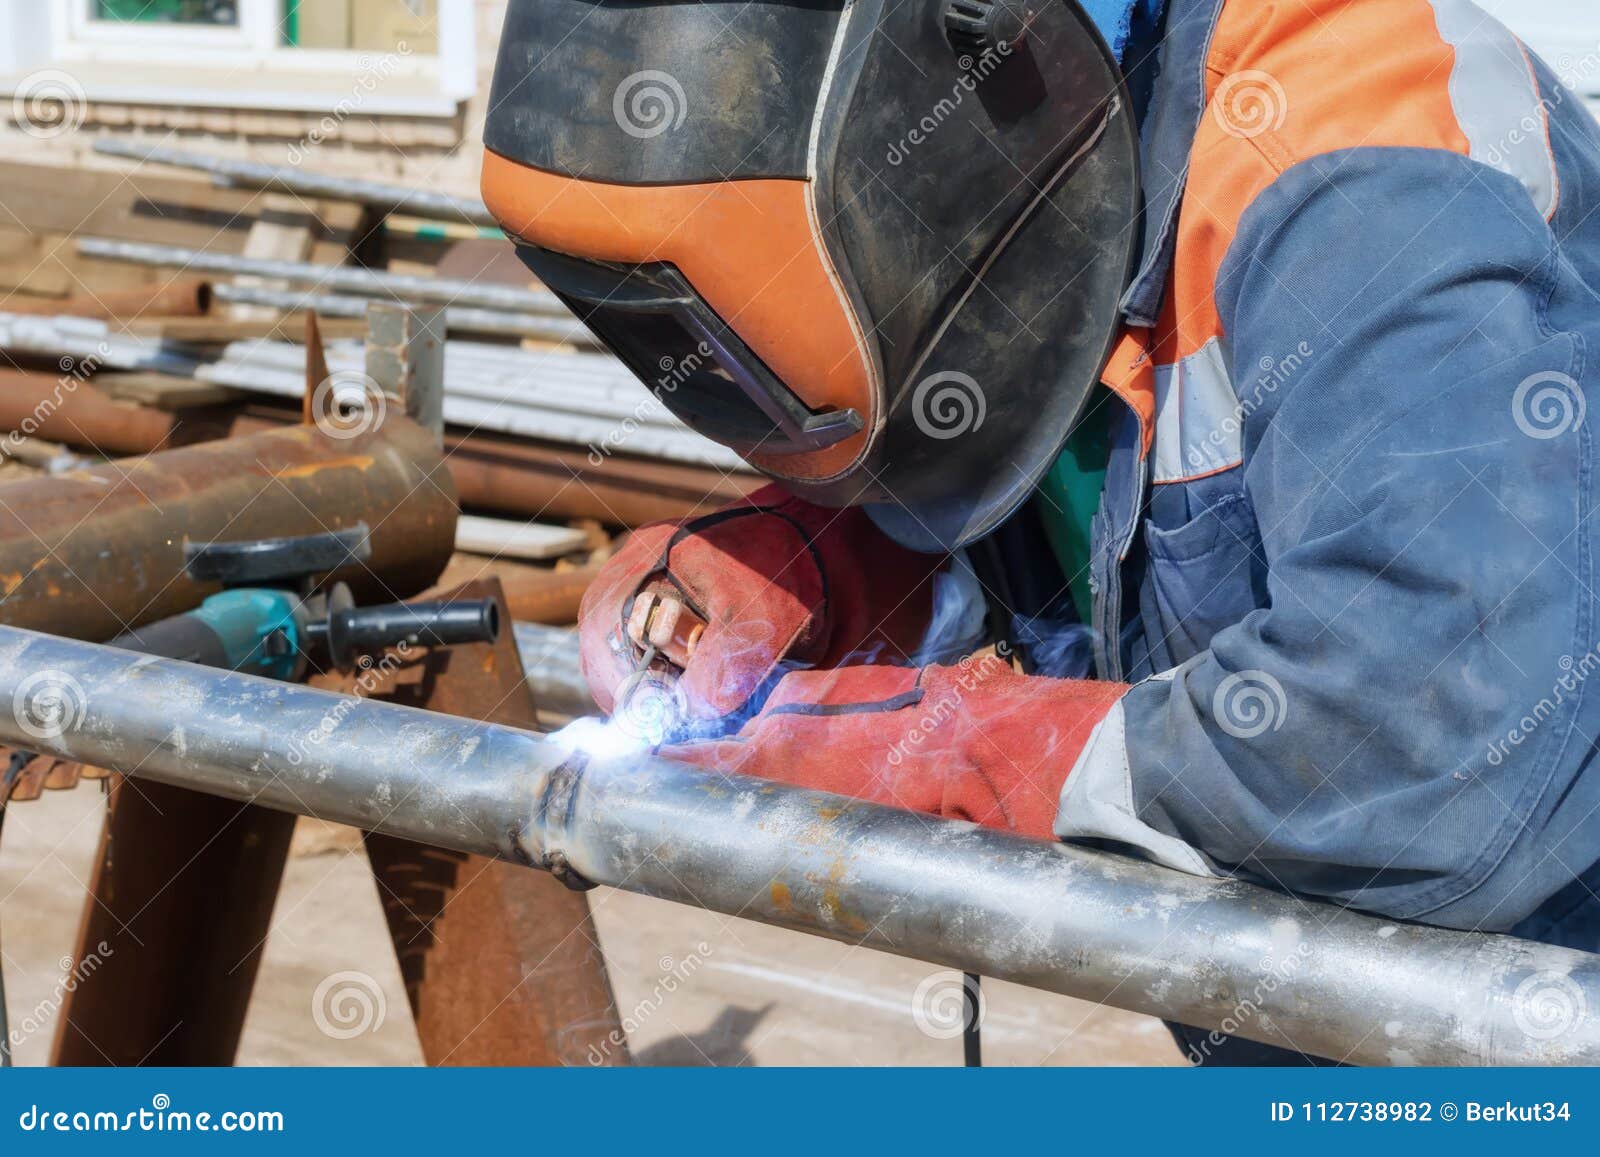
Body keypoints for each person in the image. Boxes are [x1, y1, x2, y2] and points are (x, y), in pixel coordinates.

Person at [482, 0, 1600, 1063]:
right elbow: (1054, 495)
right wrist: (807, 563)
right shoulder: (1053, 152)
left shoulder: (1355, 177)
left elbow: (1420, 747)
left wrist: (917, 748)